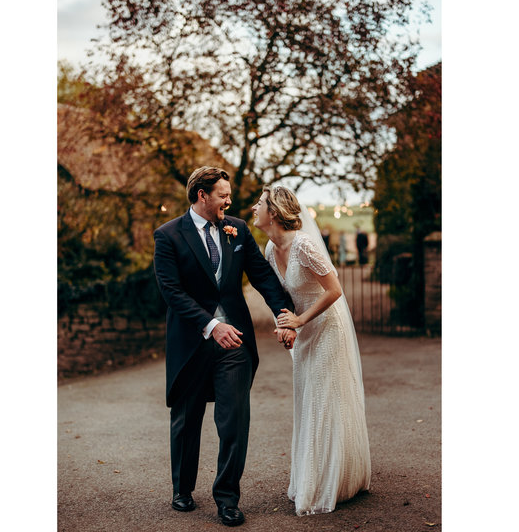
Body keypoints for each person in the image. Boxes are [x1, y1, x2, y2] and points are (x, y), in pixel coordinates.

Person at [153, 166, 297, 527]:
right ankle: (182, 489)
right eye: (223, 195)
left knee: (234, 421)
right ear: (202, 195)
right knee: (186, 421)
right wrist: (211, 325)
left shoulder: (238, 229)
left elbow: (262, 276)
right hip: (191, 343)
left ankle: (227, 499)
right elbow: (172, 292)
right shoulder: (168, 235)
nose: (229, 201)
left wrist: (284, 314)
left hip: (234, 345)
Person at [250, 185, 371, 516]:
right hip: (303, 331)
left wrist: (300, 319)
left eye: (259, 204)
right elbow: (282, 298)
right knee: (308, 399)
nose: (254, 208)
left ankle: (331, 481)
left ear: (273, 212)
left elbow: (334, 290)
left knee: (325, 397)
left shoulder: (304, 245)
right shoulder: (269, 250)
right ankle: (314, 476)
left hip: (327, 328)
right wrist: (288, 325)